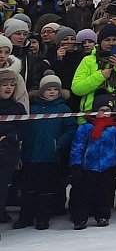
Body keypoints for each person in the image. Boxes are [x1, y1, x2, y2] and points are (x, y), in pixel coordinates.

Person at [14, 73, 73, 228]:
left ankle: (43, 218)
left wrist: (59, 144)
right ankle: (25, 218)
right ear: (41, 91)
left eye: (55, 89)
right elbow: (24, 130)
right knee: (28, 189)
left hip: (50, 156)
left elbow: (71, 129)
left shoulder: (63, 109)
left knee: (46, 189)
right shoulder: (32, 109)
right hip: (30, 156)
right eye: (48, 89)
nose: (52, 92)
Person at [69, 92, 116, 228]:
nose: (105, 113)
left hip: (108, 166)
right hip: (88, 166)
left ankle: (102, 215)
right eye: (102, 110)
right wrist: (75, 164)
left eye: (108, 111)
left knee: (105, 193)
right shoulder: (86, 128)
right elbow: (77, 146)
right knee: (83, 193)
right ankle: (80, 218)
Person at [69, 22, 116, 116]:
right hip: (91, 114)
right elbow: (77, 89)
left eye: (115, 39)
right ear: (100, 42)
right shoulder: (88, 60)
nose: (111, 43)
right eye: (107, 40)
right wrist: (100, 76)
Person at [0, 67, 27, 227]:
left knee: (3, 187)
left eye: (12, 84)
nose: (9, 87)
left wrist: (10, 137)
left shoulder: (18, 108)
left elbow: (25, 130)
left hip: (8, 153)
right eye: (4, 84)